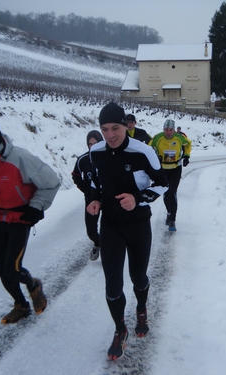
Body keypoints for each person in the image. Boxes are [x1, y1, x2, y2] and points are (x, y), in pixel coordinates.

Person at [87, 102, 168, 360]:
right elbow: (94, 182)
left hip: (138, 223)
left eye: (115, 128)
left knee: (138, 277)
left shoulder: (143, 152)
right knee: (112, 284)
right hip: (110, 224)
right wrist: (95, 199)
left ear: (126, 126)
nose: (110, 134)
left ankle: (141, 308)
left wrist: (137, 198)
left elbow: (162, 184)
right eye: (104, 129)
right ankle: (120, 329)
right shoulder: (96, 152)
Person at [0, 118, 60, 324]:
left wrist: (37, 206)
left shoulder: (20, 158)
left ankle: (34, 286)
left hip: (19, 218)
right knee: (1, 270)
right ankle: (21, 305)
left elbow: (51, 182)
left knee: (12, 269)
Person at [149, 119, 192, 231]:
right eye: (166, 130)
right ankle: (169, 211)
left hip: (175, 169)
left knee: (172, 192)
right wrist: (154, 158)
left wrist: (186, 156)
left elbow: (188, 143)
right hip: (162, 169)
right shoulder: (158, 138)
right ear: (163, 129)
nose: (168, 132)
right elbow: (149, 148)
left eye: (171, 130)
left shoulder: (179, 137)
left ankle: (172, 219)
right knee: (166, 193)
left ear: (174, 130)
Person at [72, 130, 103, 261]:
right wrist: (85, 189)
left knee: (111, 227)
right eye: (90, 144)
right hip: (91, 199)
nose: (92, 146)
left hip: (107, 198)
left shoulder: (109, 157)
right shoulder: (83, 160)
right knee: (91, 230)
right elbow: (76, 175)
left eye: (96, 143)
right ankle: (98, 243)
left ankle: (110, 248)